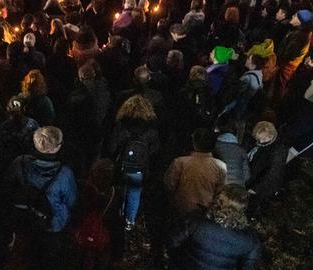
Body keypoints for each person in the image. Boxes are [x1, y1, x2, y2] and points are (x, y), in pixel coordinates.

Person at [4, 126, 77, 270]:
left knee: (27, 254)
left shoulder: (20, 162)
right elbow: (71, 201)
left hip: (25, 218)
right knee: (49, 257)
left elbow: (7, 184)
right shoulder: (65, 174)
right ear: (56, 148)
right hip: (53, 223)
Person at [168, 185, 262, 269]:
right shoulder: (251, 240)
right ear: (243, 209)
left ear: (217, 201)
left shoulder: (195, 221)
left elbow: (172, 242)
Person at [105, 95, 160, 230]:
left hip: (122, 166)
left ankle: (119, 215)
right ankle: (130, 221)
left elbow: (111, 147)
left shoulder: (121, 126)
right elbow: (155, 150)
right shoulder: (151, 129)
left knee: (120, 192)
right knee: (135, 194)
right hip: (140, 168)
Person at [164, 128, 227, 216]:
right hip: (206, 211)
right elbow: (220, 191)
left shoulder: (180, 162)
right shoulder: (221, 166)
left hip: (181, 209)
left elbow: (169, 185)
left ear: (194, 143)